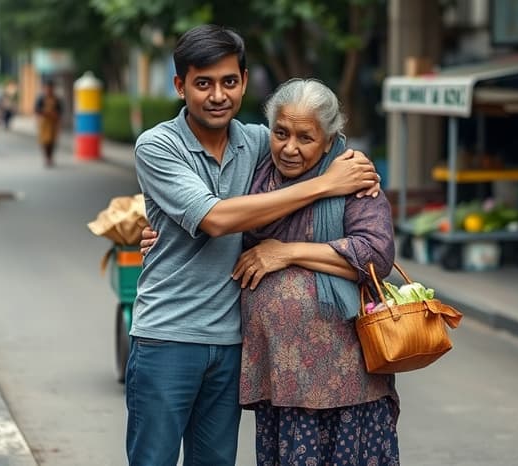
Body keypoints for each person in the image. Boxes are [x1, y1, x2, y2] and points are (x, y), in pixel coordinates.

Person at [129, 24, 380, 466]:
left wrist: (354, 165)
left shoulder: (259, 142)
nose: (217, 95)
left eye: (229, 81)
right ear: (179, 86)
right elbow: (216, 219)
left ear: (244, 82)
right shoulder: (158, 145)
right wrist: (325, 185)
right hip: (168, 336)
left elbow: (315, 142)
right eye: (202, 83)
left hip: (231, 342)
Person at [231, 78, 399, 465]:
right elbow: (215, 219)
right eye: (281, 133)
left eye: (305, 138)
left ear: (328, 138)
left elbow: (376, 256)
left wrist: (287, 253)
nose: (289, 148)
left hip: (347, 379)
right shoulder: (255, 175)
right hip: (281, 377)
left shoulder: (353, 179)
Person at [34, 79, 63, 167]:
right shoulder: (41, 98)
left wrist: (55, 115)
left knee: (53, 141)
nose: (49, 89)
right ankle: (47, 157)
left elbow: (60, 110)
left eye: (51, 88)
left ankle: (50, 157)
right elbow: (37, 109)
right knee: (45, 141)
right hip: (44, 123)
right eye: (47, 88)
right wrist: (45, 113)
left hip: (54, 123)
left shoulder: (57, 99)